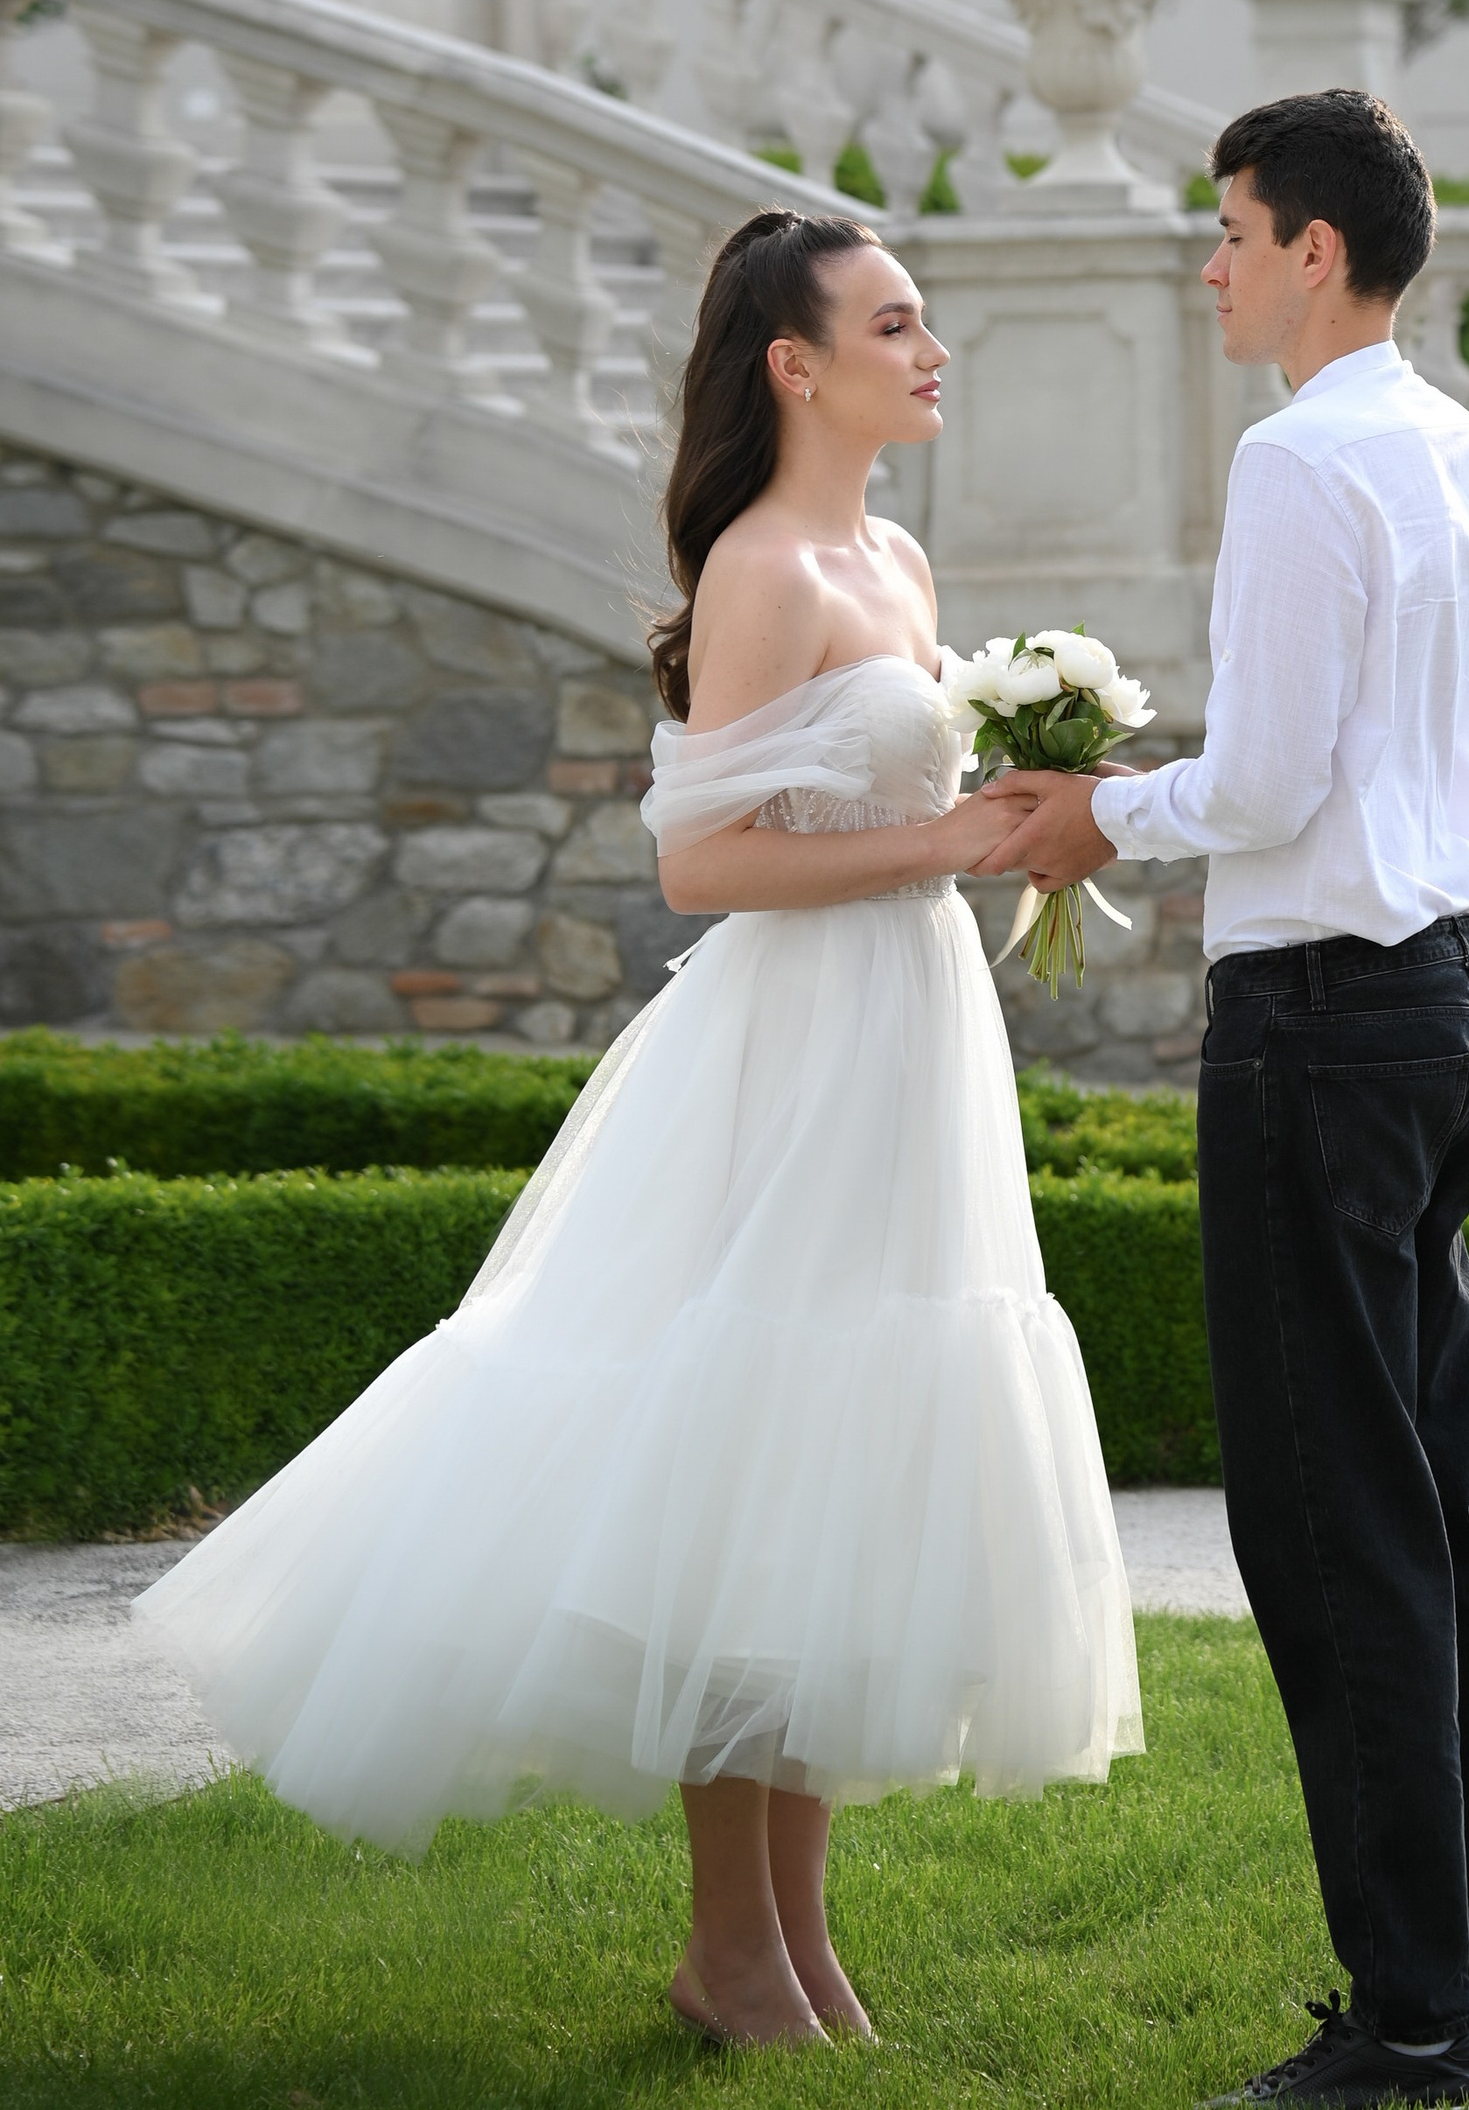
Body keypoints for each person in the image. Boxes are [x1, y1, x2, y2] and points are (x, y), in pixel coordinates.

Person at [134, 207, 1141, 2049]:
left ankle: (797, 1936)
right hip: (791, 1050)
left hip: (912, 1040)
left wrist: (1004, 809)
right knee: (741, 1444)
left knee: (838, 1460)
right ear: (796, 363)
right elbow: (699, 865)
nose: (933, 352)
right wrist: (946, 841)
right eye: (896, 323)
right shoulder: (765, 570)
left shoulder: (900, 558)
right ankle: (727, 1946)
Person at [978, 90, 1469, 2105]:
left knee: (1337, 1536)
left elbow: (1265, 787)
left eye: (1227, 229)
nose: (1207, 264)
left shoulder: (1306, 454)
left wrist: (1083, 815)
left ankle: (1410, 2026)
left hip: (1319, 1024)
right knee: (1436, 1522)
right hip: (1433, 1012)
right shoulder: (1450, 436)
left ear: (1313, 247)